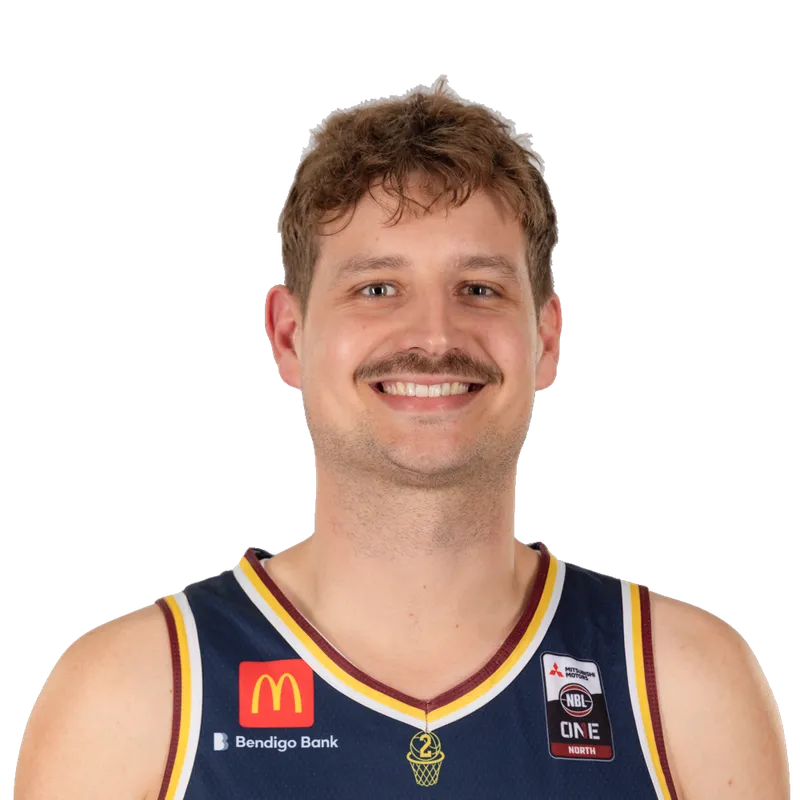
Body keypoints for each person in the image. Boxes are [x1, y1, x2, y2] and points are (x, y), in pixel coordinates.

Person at [14, 85, 789, 799]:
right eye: (377, 288)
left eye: (479, 289)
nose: (435, 336)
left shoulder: (681, 686)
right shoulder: (133, 698)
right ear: (287, 335)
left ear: (548, 338)